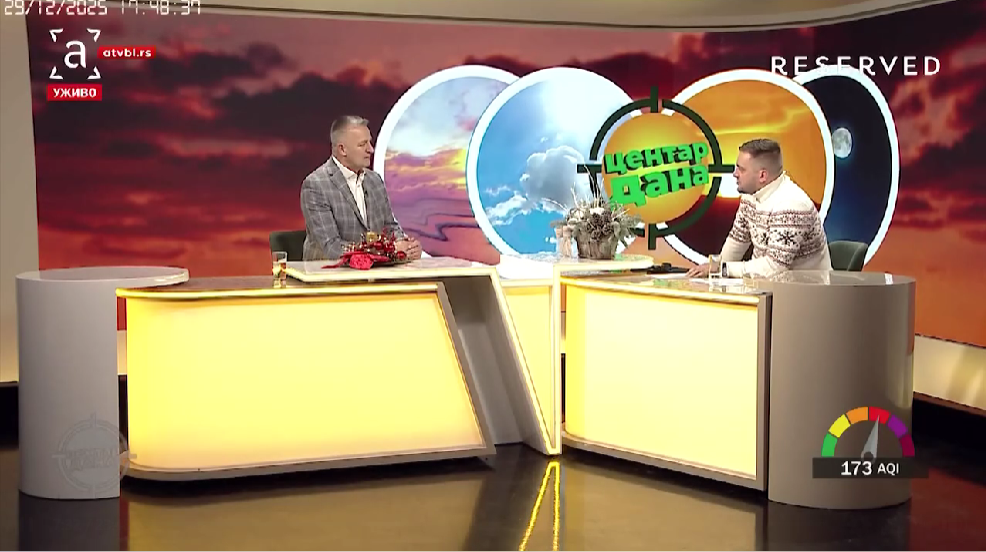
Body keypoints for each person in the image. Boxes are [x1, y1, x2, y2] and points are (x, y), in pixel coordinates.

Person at [687, 138, 831, 278]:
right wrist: (713, 270)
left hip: (807, 290)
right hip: (766, 287)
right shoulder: (750, 197)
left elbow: (774, 268)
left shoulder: (791, 206)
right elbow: (737, 241)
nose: (735, 174)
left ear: (762, 175)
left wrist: (722, 269)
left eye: (741, 169)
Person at [300, 115, 422, 261]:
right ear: (342, 149)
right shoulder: (316, 185)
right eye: (362, 144)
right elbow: (332, 248)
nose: (371, 149)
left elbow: (390, 227)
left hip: (376, 271)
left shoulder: (374, 181)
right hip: (329, 272)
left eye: (369, 142)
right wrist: (387, 251)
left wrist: (407, 247)